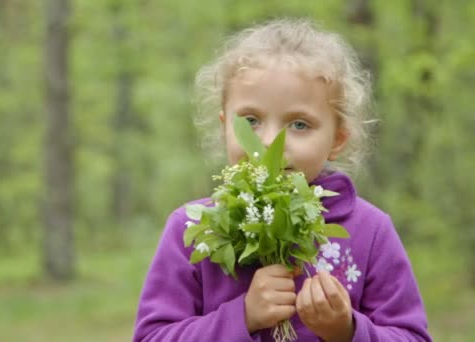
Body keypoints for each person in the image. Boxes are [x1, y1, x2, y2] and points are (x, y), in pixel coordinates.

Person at [133, 18, 431, 341]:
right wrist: (241, 317)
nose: (271, 141)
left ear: (338, 138)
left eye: (299, 125)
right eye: (250, 121)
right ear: (225, 127)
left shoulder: (371, 232)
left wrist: (348, 332)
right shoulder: (192, 229)